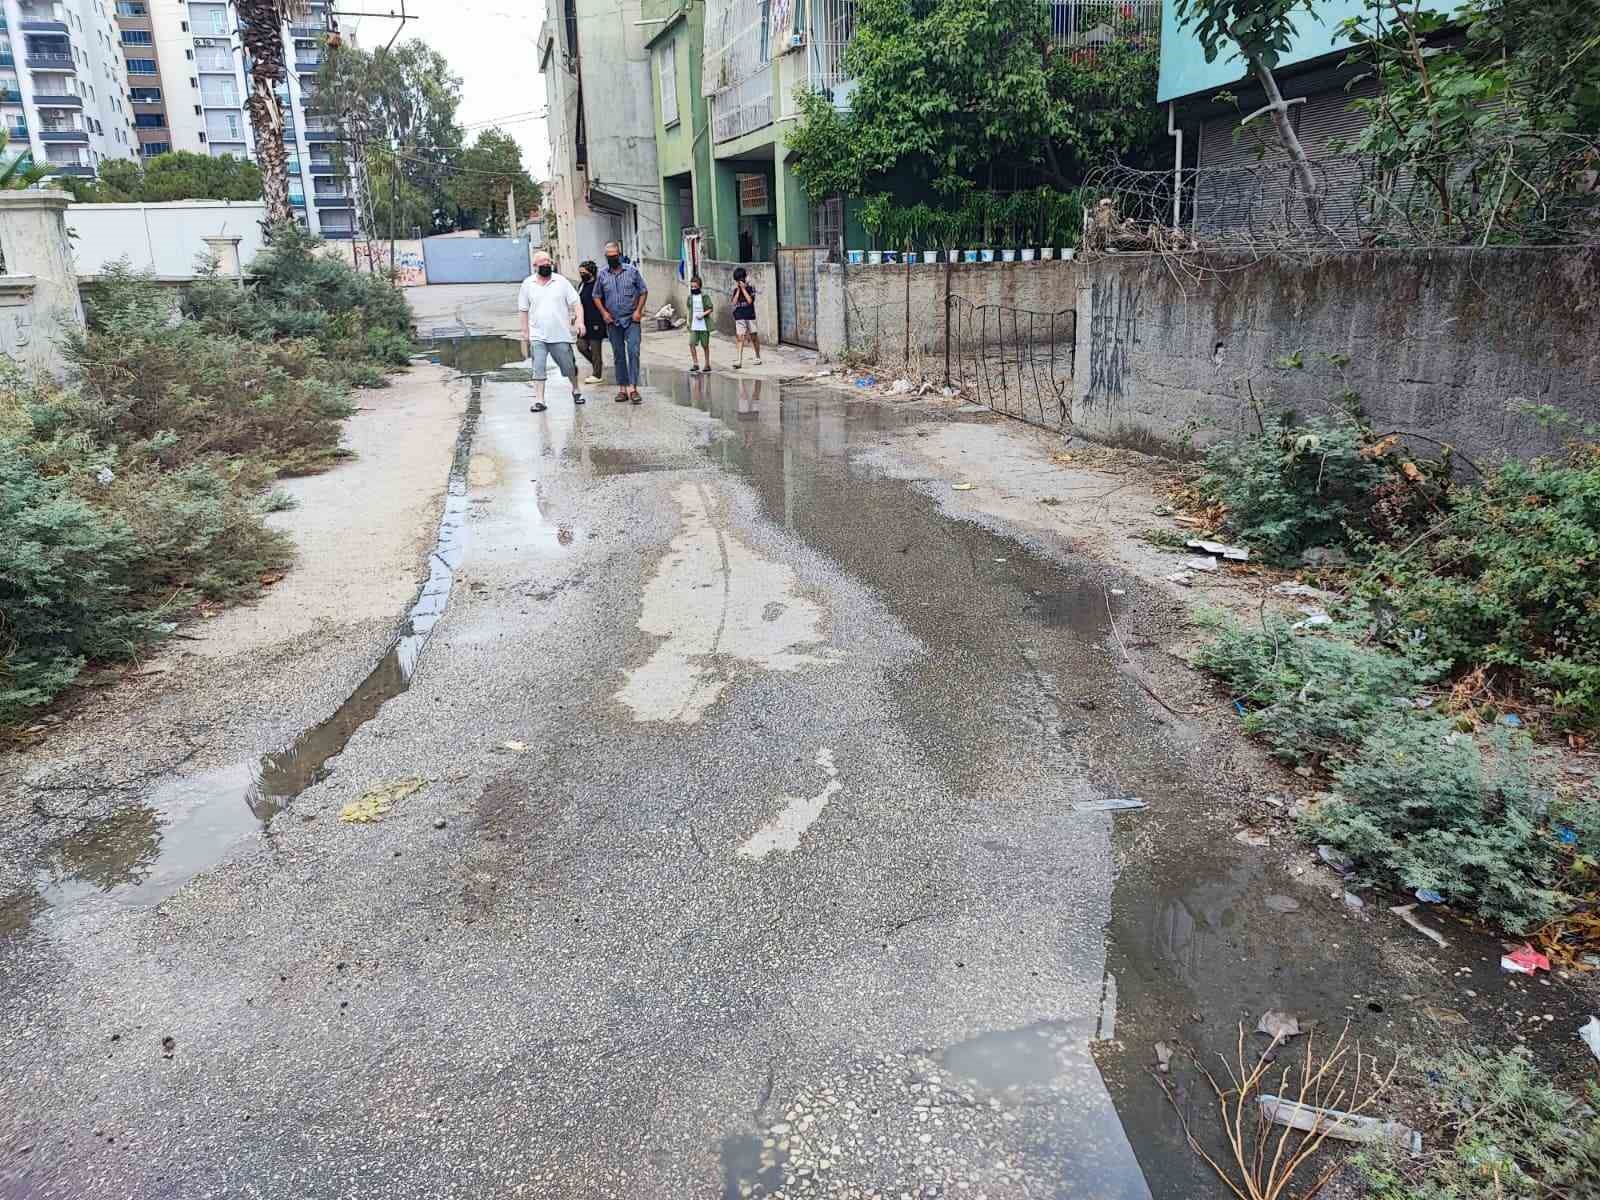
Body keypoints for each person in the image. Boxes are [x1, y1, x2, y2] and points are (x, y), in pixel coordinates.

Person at [517, 250, 585, 413]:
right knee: (538, 367)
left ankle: (575, 389)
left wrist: (580, 322)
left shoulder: (561, 282)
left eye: (548, 261)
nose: (547, 264)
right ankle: (539, 400)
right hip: (538, 335)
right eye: (542, 262)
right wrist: (525, 332)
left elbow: (576, 303)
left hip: (560, 334)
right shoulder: (528, 284)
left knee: (568, 366)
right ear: (535, 266)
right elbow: (523, 309)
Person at [593, 240, 648, 404]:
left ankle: (633, 388)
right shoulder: (602, 274)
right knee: (618, 354)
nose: (612, 259)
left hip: (631, 319)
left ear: (620, 255)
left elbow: (643, 291)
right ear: (605, 257)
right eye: (609, 257)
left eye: (614, 256)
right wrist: (604, 313)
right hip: (612, 320)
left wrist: (638, 311)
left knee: (633, 351)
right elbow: (596, 296)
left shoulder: (632, 271)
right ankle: (622, 389)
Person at [576, 260, 606, 384]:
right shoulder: (581, 285)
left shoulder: (598, 284)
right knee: (581, 346)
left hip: (596, 321)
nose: (581, 275)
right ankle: (597, 364)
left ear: (591, 272)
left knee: (595, 349)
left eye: (584, 272)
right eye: (580, 272)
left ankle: (597, 374)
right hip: (584, 321)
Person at [731, 267, 762, 369]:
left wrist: (744, 289)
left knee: (754, 336)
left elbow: (749, 301)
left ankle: (757, 356)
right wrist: (739, 290)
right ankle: (739, 360)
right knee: (740, 338)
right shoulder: (736, 290)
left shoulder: (750, 288)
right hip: (739, 316)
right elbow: (734, 302)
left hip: (750, 315)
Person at [686, 275, 714, 374]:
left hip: (704, 325)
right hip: (694, 325)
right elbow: (689, 309)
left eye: (695, 287)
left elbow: (710, 308)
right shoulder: (690, 297)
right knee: (691, 343)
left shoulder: (705, 297)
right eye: (692, 287)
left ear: (699, 287)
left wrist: (703, 315)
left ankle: (707, 364)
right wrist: (688, 322)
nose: (693, 289)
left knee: (705, 345)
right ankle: (695, 363)